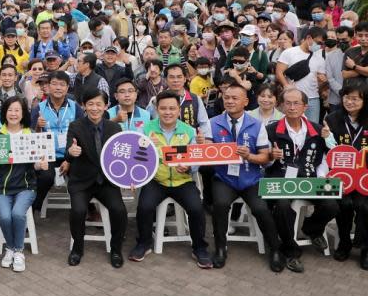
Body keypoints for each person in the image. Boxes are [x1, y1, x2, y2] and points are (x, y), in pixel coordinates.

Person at [129, 91, 212, 268]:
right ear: (157, 109)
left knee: (197, 209)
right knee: (144, 207)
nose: (168, 112)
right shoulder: (146, 129)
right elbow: (136, 157)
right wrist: (135, 174)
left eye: (172, 108)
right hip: (157, 180)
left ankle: (199, 248)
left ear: (178, 111)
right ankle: (143, 243)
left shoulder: (189, 131)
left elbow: (196, 159)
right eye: (163, 108)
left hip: (183, 181)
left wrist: (189, 166)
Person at [208, 84, 285, 272]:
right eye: (226, 97)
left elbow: (265, 157)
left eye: (235, 98)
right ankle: (220, 248)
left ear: (246, 101)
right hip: (224, 177)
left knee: (261, 209)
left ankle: (275, 249)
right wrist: (204, 145)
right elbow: (206, 153)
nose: (230, 101)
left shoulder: (256, 125)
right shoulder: (213, 122)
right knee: (219, 205)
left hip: (251, 178)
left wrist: (249, 156)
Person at [265, 88, 338, 273]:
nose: (291, 107)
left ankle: (311, 228)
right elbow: (263, 162)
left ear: (305, 106)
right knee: (281, 208)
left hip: (309, 179)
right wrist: (271, 156)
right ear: (281, 106)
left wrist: (321, 176)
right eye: (287, 103)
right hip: (282, 180)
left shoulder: (319, 129)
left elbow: (326, 158)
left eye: (296, 103)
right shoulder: (271, 130)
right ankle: (290, 251)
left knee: (332, 205)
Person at [65, 89, 126, 268]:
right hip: (81, 182)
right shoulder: (75, 126)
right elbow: (70, 149)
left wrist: (129, 178)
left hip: (106, 182)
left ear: (106, 106)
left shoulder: (114, 128)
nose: (94, 108)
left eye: (99, 104)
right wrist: (71, 152)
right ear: (83, 106)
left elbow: (121, 158)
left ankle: (115, 249)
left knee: (119, 210)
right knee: (78, 211)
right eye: (90, 104)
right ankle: (77, 248)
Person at [0, 97, 45, 272]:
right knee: (4, 217)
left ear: (23, 113)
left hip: (26, 187)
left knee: (18, 214)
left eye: (17, 110)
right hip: (2, 187)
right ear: (4, 113)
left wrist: (40, 165)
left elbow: (35, 164)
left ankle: (18, 251)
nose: (13, 114)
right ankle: (11, 248)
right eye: (10, 110)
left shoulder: (31, 135)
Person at [324, 79, 368, 268]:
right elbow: (328, 152)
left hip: (365, 179)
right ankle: (344, 242)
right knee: (344, 204)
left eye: (355, 99)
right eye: (347, 98)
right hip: (341, 177)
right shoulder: (333, 118)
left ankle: (366, 248)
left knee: (364, 206)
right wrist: (326, 138)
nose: (350, 102)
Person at [31, 71, 84, 212]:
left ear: (67, 88)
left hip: (70, 154)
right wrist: (37, 126)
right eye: (54, 84)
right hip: (48, 156)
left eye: (62, 84)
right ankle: (33, 208)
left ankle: (85, 208)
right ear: (48, 86)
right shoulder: (39, 108)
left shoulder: (75, 107)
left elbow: (81, 134)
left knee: (81, 175)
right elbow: (31, 137)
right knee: (46, 176)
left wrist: (69, 159)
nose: (58, 88)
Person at [276, 26, 326, 123]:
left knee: (312, 129)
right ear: (308, 38)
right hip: (292, 98)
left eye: (322, 44)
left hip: (313, 99)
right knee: (290, 125)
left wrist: (323, 80)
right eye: (318, 42)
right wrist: (286, 85)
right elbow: (279, 72)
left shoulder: (319, 56)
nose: (320, 46)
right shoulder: (290, 52)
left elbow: (321, 78)